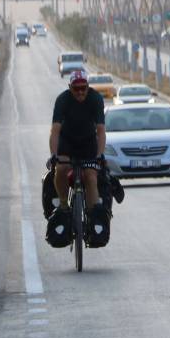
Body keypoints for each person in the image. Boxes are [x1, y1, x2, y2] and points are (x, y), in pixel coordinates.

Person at [47, 69, 108, 245]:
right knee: (61, 169)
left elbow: (101, 131)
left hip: (88, 142)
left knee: (91, 174)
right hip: (67, 142)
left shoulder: (95, 99)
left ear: (88, 87)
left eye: (84, 88)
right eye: (76, 88)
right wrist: (54, 155)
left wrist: (99, 155)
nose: (80, 92)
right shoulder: (63, 100)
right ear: (70, 87)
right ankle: (65, 208)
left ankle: (92, 215)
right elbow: (55, 131)